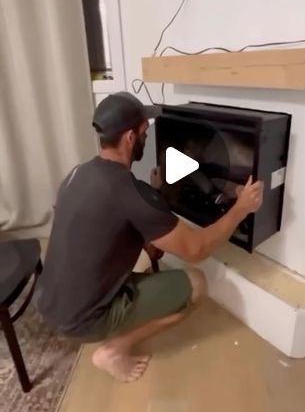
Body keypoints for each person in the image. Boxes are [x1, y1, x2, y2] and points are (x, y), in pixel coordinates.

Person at [37, 92, 263, 383]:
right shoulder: (131, 192)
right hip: (80, 321)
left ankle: (111, 319)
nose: (148, 136)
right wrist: (240, 208)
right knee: (196, 284)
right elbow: (196, 249)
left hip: (48, 302)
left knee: (145, 262)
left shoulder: (77, 174)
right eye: (145, 131)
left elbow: (94, 224)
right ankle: (114, 351)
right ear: (130, 137)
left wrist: (148, 224)